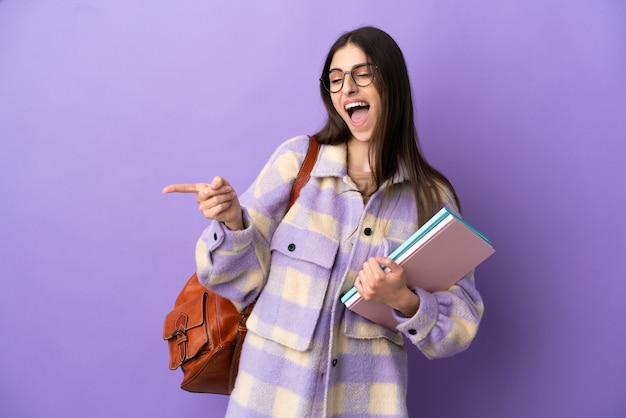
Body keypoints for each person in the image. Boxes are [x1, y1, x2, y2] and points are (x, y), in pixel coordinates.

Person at [163, 26, 483, 417]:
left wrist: (403, 299)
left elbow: (459, 326)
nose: (347, 88)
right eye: (336, 79)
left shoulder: (430, 199)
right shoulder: (297, 162)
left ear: (392, 83)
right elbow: (236, 283)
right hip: (267, 403)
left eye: (362, 74)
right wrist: (232, 223)